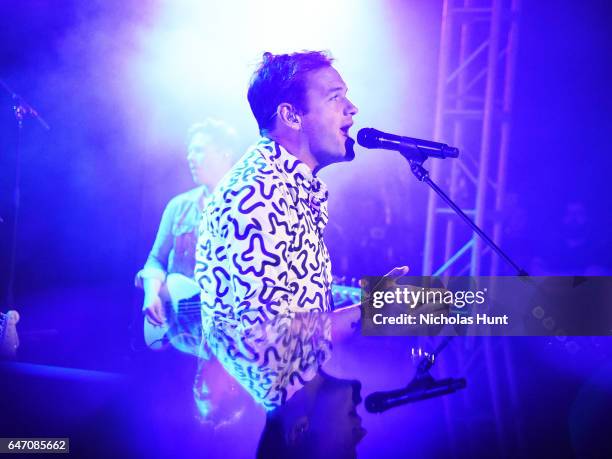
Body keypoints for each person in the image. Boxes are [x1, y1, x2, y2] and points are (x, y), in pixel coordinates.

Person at [195, 51, 372, 458]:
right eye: (335, 97)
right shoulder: (257, 196)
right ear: (292, 116)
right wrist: (376, 310)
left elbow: (291, 313)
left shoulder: (284, 189)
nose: (352, 108)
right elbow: (266, 336)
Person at [136, 119, 238, 327]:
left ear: (225, 153)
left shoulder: (244, 207)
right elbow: (156, 259)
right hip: (175, 328)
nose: (190, 158)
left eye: (199, 150)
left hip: (221, 334)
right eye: (190, 151)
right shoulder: (179, 206)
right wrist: (151, 294)